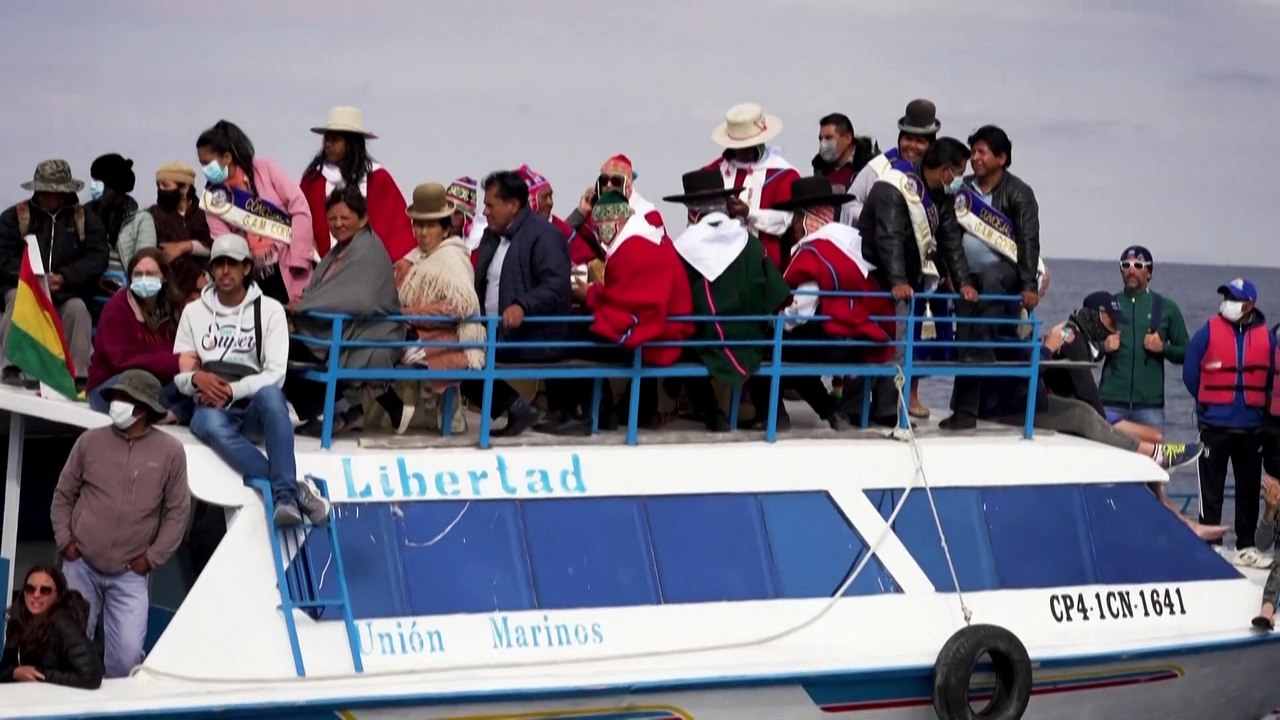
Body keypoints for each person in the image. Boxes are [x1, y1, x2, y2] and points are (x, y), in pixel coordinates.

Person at [176, 234, 330, 527]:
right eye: (218, 264)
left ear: (247, 268)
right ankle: (291, 491)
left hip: (251, 406)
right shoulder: (193, 312)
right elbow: (182, 373)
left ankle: (284, 495)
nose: (224, 271)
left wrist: (231, 390)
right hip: (211, 407)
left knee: (273, 396)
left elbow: (276, 373)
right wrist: (197, 379)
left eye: (232, 264)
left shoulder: (270, 310)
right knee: (207, 423)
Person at [50, 370, 191, 679]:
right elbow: (63, 495)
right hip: (80, 565)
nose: (116, 403)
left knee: (127, 658)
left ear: (142, 408)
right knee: (66, 648)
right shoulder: (90, 441)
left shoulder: (171, 452)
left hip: (130, 576)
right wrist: (66, 542)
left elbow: (177, 512)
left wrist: (150, 560)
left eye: (124, 398)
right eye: (115, 397)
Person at [544, 190, 694, 435]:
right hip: (666, 328)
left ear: (617, 222)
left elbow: (631, 301)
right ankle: (596, 412)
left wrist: (589, 295)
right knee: (577, 332)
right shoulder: (646, 239)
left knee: (569, 339)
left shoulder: (633, 248)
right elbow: (627, 293)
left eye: (601, 225)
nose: (600, 232)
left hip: (657, 336)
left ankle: (582, 414)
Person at [858, 137, 977, 426]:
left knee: (901, 345)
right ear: (946, 170)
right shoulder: (895, 186)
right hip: (876, 279)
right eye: (959, 173)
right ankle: (869, 409)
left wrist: (962, 281)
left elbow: (950, 241)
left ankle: (887, 408)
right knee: (877, 346)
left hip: (910, 283)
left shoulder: (941, 194)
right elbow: (889, 237)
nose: (960, 180)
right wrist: (897, 279)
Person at [664, 169, 792, 431]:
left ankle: (713, 415)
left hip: (708, 338)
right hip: (749, 335)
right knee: (758, 347)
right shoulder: (750, 243)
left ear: (691, 209)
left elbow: (675, 300)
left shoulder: (681, 249)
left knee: (684, 348)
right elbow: (778, 293)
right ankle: (775, 414)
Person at [942, 126, 1044, 430]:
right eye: (973, 152)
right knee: (967, 335)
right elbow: (948, 234)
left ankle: (982, 359)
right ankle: (964, 412)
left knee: (980, 322)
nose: (975, 158)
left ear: (1002, 158)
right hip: (967, 277)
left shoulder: (1020, 193)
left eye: (982, 152)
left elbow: (1028, 240)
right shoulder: (962, 188)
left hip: (1004, 272)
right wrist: (954, 277)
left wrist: (1029, 285)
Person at [773, 176, 895, 429]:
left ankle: (785, 416)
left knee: (775, 353)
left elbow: (803, 310)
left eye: (796, 218)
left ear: (806, 218)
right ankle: (835, 411)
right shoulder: (852, 243)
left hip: (831, 339)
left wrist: (779, 321)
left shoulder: (812, 251)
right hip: (866, 338)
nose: (794, 225)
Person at [289, 185, 411, 436]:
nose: (337, 224)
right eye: (332, 218)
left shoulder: (368, 250)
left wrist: (306, 305)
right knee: (284, 346)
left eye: (344, 218)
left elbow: (360, 298)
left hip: (373, 333)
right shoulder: (340, 251)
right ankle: (342, 410)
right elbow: (328, 290)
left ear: (363, 218)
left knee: (282, 349)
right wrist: (308, 301)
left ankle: (331, 412)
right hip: (350, 329)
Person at [459, 170, 569, 436]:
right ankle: (518, 409)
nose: (484, 212)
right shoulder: (491, 236)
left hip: (532, 336)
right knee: (454, 356)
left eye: (490, 205)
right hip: (494, 331)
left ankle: (517, 408)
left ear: (512, 206)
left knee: (460, 362)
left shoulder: (544, 235)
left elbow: (556, 284)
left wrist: (522, 305)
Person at [1183, 278, 1275, 566]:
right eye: (1225, 297)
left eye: (1233, 298)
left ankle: (1246, 546)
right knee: (1211, 489)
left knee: (1248, 490)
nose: (1227, 303)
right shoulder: (1207, 331)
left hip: (1251, 427)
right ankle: (1212, 544)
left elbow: (1273, 376)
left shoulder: (1267, 338)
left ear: (1248, 305)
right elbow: (1190, 371)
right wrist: (1208, 403)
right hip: (1214, 425)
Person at [0, 160, 108, 388]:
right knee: (16, 300)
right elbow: (3, 254)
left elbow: (97, 258)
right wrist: (31, 277)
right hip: (24, 289)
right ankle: (9, 367)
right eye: (44, 193)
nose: (49, 198)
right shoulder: (13, 217)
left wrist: (65, 277)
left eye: (55, 193)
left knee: (78, 310)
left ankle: (78, 376)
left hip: (66, 293)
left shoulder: (86, 220)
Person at [196, 119, 315, 304]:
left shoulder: (266, 169)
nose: (204, 169)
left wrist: (299, 259)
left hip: (291, 267)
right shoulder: (213, 197)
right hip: (251, 277)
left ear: (226, 157)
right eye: (201, 163)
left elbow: (299, 208)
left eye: (207, 163)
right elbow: (223, 240)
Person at [394, 183, 485, 422]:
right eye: (419, 225)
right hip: (419, 334)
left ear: (445, 229)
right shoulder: (415, 259)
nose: (423, 232)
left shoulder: (451, 258)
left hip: (445, 339)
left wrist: (408, 314)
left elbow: (460, 306)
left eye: (431, 225)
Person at [86, 248, 193, 423]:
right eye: (137, 274)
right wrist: (175, 362)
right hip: (111, 387)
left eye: (150, 274)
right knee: (137, 378)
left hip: (157, 386)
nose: (143, 279)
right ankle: (166, 413)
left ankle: (170, 415)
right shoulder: (116, 308)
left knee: (196, 383)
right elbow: (123, 361)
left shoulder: (174, 308)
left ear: (164, 277)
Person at [300, 106, 415, 261]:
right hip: (323, 270)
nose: (328, 144)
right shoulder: (313, 180)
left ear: (351, 143)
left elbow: (397, 228)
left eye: (335, 139)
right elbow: (302, 223)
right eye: (327, 139)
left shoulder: (378, 178)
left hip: (370, 269)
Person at [1100, 245, 1190, 431]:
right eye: (1126, 265)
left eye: (1138, 265)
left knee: (1151, 459)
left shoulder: (1166, 307)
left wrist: (1163, 348)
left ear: (1149, 273)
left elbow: (1187, 353)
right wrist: (1103, 346)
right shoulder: (1108, 306)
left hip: (1149, 407)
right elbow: (1086, 350)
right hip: (1110, 403)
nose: (1131, 270)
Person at [706, 103, 801, 270]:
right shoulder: (713, 171)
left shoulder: (784, 174)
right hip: (719, 263)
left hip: (764, 265)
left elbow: (785, 221)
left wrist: (748, 213)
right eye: (739, 147)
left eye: (749, 146)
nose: (743, 152)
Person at [1, 565, 102, 688]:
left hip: (61, 699)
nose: (36, 595)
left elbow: (92, 676)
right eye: (30, 588)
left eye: (45, 590)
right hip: (30, 697)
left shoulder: (64, 624)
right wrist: (14, 672)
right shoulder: (18, 618)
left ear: (58, 595)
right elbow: (5, 668)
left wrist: (40, 675)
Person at [149, 161, 213, 301]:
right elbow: (165, 252)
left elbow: (212, 245)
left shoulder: (205, 213)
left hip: (209, 287)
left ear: (184, 188)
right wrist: (194, 277)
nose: (161, 190)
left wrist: (183, 247)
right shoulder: (154, 214)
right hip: (170, 291)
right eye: (158, 186)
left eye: (166, 185)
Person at [87, 153, 156, 278]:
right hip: (89, 285)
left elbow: (144, 260)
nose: (92, 185)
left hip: (124, 286)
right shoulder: (85, 213)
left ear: (111, 185)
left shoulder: (139, 219)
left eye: (97, 181)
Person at [811, 112, 879, 193]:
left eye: (828, 138)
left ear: (847, 138)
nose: (823, 144)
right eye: (821, 139)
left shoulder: (871, 166)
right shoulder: (820, 168)